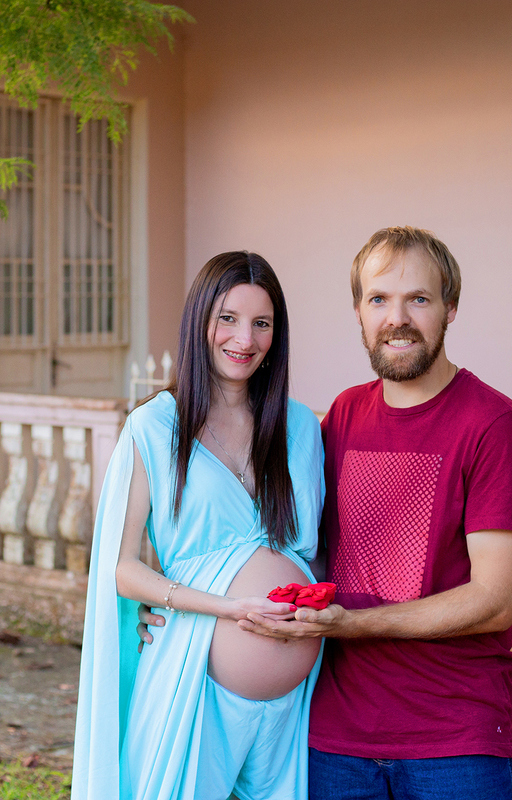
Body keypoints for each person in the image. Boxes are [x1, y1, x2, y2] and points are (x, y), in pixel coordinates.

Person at [237, 226, 512, 800]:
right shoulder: (344, 415)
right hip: (336, 735)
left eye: (418, 299)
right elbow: (297, 548)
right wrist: (184, 611)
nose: (396, 318)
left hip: (454, 739)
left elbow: (495, 599)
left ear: (451, 308)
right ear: (358, 311)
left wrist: (352, 625)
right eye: (379, 299)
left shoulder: (495, 427)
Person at [72, 251, 326, 800]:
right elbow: (121, 570)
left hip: (291, 705)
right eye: (228, 318)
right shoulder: (154, 428)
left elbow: (316, 554)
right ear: (200, 320)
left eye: (262, 323)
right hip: (191, 676)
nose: (245, 338)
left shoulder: (302, 427)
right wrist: (229, 608)